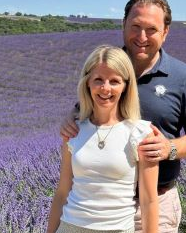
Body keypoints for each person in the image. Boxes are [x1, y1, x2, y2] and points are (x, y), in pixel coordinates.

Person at [60, 0, 186, 233]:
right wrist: (71, 116)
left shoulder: (183, 77)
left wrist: (168, 148)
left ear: (165, 32)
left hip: (157, 203)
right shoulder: (106, 68)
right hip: (100, 208)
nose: (142, 36)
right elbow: (87, 109)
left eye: (151, 29)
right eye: (135, 26)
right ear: (123, 25)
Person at [47, 45, 159, 233]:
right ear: (87, 83)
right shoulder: (74, 131)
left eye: (114, 81)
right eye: (98, 80)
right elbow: (62, 192)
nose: (105, 88)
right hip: (70, 227)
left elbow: (149, 201)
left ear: (125, 86)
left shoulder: (140, 133)